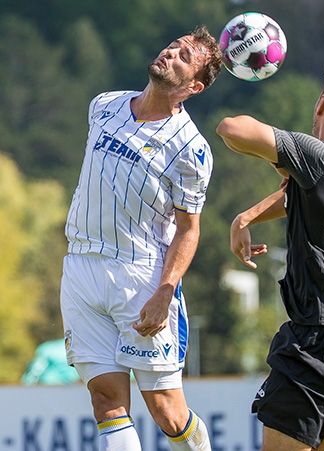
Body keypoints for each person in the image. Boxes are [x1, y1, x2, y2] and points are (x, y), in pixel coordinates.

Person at [60, 26, 222, 451]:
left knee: (167, 412)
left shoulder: (192, 150)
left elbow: (190, 229)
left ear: (194, 86)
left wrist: (165, 292)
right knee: (106, 401)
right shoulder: (105, 105)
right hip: (80, 265)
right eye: (173, 45)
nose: (171, 53)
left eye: (185, 56)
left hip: (140, 276)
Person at [216, 59, 324, 451]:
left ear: (321, 103)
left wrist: (282, 153)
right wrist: (249, 216)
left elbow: (231, 128)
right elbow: (306, 195)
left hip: (323, 336)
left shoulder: (318, 156)